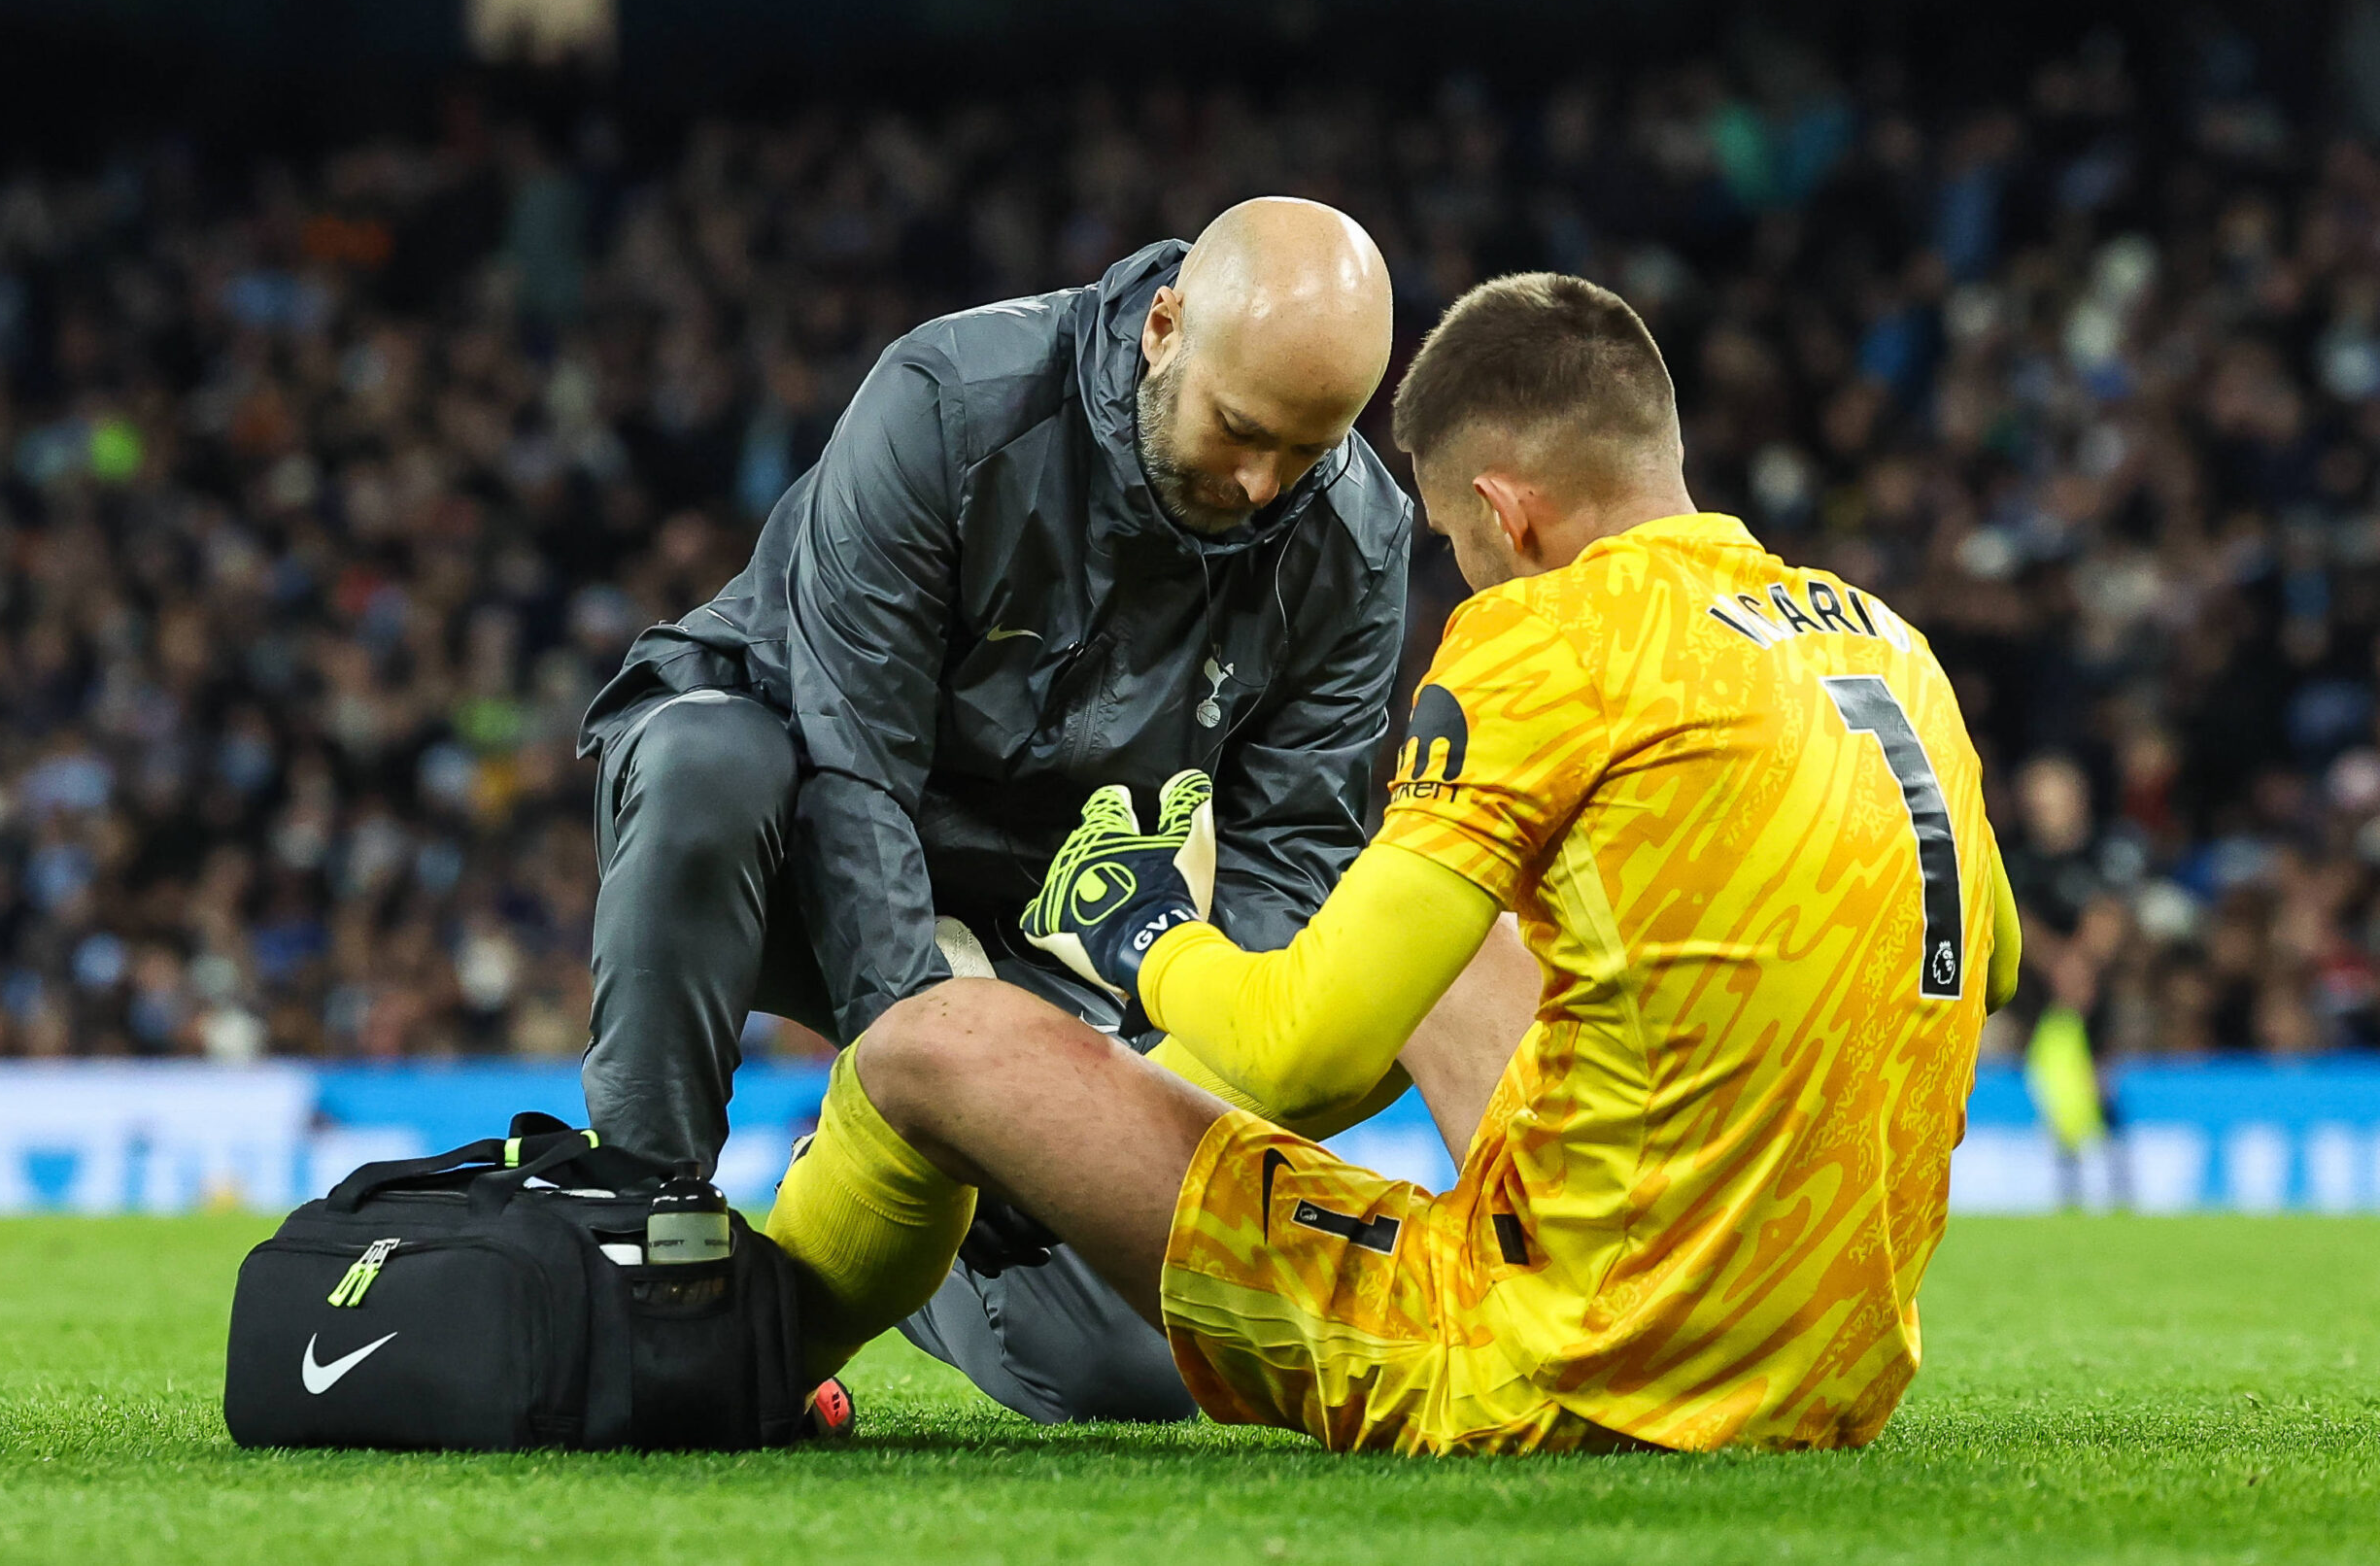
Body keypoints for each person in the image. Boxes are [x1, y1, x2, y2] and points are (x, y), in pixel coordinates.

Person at [763, 271, 2025, 1454]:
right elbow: (1996, 955)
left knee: (938, 1040)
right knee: (1458, 932)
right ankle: (1051, 1185)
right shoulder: (1887, 645)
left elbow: (1304, 1047)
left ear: (1505, 509)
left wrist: (1153, 932)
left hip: (1558, 1362)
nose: (1460, 570)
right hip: (1833, 1372)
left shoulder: (1547, 637)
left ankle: (737, 1360)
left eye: (1447, 534)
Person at [575, 197, 1414, 1422]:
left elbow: (1290, 863)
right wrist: (957, 1069)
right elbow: (851, 769)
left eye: (1311, 447)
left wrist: (1124, 1104)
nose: (1259, 481)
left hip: (1034, 918)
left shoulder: (1353, 536)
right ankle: (645, 1252)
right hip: (786, 825)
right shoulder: (950, 403)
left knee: (1131, 1375)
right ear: (1165, 329)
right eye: (1240, 429)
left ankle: (894, 1220)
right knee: (711, 761)